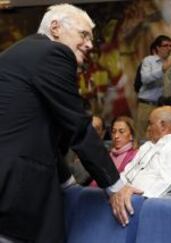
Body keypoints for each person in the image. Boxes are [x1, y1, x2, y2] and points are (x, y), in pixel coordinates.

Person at [0, 4, 125, 242]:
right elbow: (76, 124)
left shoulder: (21, 53)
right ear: (55, 28)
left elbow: (35, 131)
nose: (89, 44)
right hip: (14, 192)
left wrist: (67, 182)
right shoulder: (53, 53)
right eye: (84, 34)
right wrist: (116, 186)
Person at [113, 106, 171, 226]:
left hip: (146, 208)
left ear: (163, 126)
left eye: (150, 124)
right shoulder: (147, 146)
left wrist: (134, 196)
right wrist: (118, 190)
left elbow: (166, 186)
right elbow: (127, 172)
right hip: (126, 199)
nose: (148, 129)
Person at [136, 35, 171, 141]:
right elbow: (145, 79)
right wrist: (162, 69)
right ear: (157, 47)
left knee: (159, 137)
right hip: (147, 105)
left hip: (162, 107)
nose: (169, 48)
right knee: (142, 137)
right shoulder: (149, 60)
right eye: (165, 45)